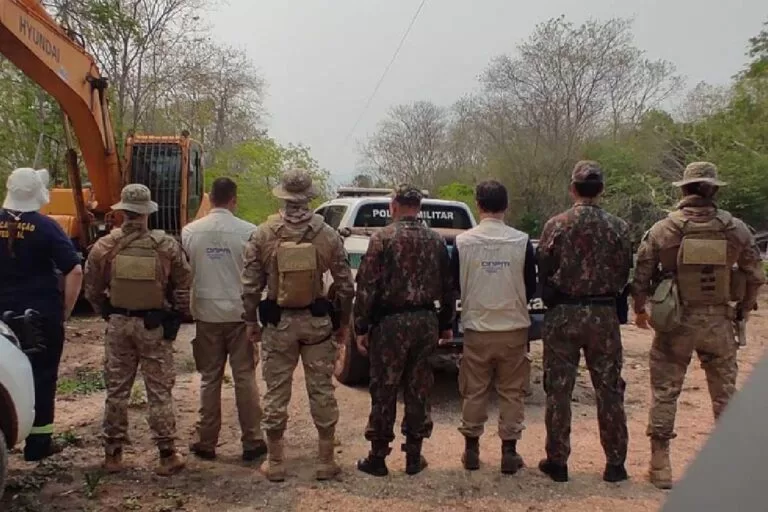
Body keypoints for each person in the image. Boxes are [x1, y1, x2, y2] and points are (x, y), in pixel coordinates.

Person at [632, 161, 765, 489]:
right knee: (725, 396)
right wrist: (744, 311)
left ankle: (660, 466)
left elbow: (641, 274)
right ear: (714, 190)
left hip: (676, 322)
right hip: (719, 322)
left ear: (684, 190)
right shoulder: (735, 229)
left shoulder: (664, 229)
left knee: (665, 392)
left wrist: (640, 309)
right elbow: (755, 275)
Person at [241, 168, 354, 482]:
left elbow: (250, 287)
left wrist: (251, 322)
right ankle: (325, 461)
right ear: (309, 197)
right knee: (321, 391)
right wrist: (342, 323)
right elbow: (346, 287)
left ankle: (276, 462)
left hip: (278, 326)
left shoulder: (263, 233)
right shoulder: (327, 234)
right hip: (317, 325)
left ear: (282, 196)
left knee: (276, 392)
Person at [83, 184, 192, 476]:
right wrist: (176, 315)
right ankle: (167, 454)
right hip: (153, 325)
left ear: (122, 212)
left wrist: (106, 312)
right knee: (159, 391)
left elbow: (91, 289)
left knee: (117, 390)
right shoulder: (166, 246)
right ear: (147, 213)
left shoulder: (105, 247)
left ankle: (113, 455)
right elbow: (183, 284)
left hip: (119, 324)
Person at [537, 161, 632, 483]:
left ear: (572, 188)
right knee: (609, 389)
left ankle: (558, 461)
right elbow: (624, 271)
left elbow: (543, 269)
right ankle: (615, 464)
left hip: (564, 313)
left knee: (559, 390)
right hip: (603, 314)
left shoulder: (556, 225)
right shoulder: (618, 227)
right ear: (601, 189)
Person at [354, 184, 455, 477]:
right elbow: (448, 288)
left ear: (393, 205)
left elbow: (367, 286)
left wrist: (361, 324)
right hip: (425, 320)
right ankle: (414, 455)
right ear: (419, 207)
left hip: (390, 323)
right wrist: (446, 323)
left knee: (384, 387)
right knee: (419, 386)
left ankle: (378, 456)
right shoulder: (436, 240)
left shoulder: (382, 238)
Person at [450, 180, 537, 474]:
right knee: (512, 391)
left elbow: (454, 286)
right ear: (506, 205)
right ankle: (509, 453)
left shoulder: (462, 243)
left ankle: (471, 451)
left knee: (474, 390)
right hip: (513, 328)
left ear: (478, 205)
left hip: (476, 328)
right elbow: (532, 285)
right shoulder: (522, 241)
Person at [0, 167, 83, 461]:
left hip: (1, 318)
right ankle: (38, 444)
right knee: (43, 376)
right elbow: (73, 269)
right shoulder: (47, 227)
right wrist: (66, 310)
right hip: (40, 316)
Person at [181, 177, 266, 462]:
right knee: (244, 377)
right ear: (234, 199)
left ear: (210, 198)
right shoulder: (249, 232)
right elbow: (255, 275)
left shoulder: (190, 232)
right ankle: (253, 440)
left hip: (206, 315)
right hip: (239, 315)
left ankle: (206, 441)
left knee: (209, 378)